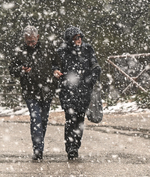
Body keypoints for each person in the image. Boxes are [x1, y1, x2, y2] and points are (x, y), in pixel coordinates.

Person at [9, 26, 58, 161]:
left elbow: (56, 64)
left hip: (47, 90)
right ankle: (38, 150)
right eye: (28, 41)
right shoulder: (20, 52)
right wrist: (22, 70)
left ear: (38, 37)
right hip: (30, 91)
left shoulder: (48, 48)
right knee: (35, 119)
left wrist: (56, 72)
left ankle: (38, 145)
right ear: (24, 39)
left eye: (33, 41)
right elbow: (12, 70)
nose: (31, 44)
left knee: (43, 120)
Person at [53, 26, 101, 160]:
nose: (79, 40)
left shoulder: (87, 49)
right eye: (75, 38)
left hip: (84, 91)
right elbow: (54, 65)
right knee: (70, 119)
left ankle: (76, 145)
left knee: (80, 120)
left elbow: (96, 67)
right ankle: (71, 148)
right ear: (69, 39)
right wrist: (56, 72)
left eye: (80, 37)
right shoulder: (61, 51)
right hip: (68, 90)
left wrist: (90, 81)